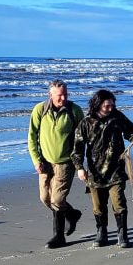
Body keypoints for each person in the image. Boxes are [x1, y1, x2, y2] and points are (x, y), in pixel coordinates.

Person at [72, 89, 133, 248]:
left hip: (116, 170)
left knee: (119, 202)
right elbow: (77, 147)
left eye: (112, 105)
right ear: (98, 104)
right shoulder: (86, 123)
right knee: (98, 206)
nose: (111, 108)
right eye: (107, 105)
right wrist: (79, 168)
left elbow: (130, 129)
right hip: (95, 173)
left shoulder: (117, 117)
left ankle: (122, 234)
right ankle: (101, 232)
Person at [28, 79, 84, 249]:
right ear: (50, 95)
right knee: (45, 198)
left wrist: (79, 163)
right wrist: (36, 160)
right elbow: (32, 137)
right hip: (45, 163)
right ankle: (72, 214)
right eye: (59, 95)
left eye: (65, 94)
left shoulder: (74, 111)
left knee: (57, 200)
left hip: (65, 163)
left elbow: (81, 139)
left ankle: (59, 236)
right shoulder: (40, 110)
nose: (63, 98)